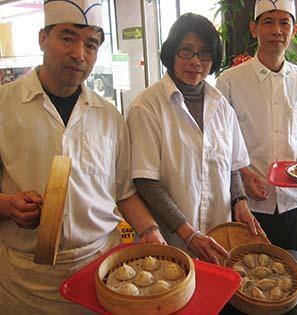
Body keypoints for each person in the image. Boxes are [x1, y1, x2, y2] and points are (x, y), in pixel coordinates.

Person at [0, 1, 165, 313]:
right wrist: (8, 205)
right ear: (42, 38)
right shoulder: (5, 105)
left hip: (103, 271)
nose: (79, 54)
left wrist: (149, 230)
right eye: (67, 38)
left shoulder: (110, 116)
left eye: (91, 44)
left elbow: (123, 193)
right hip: (26, 282)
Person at [127, 13, 264, 265]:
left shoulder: (221, 106)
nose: (196, 62)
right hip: (169, 243)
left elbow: (231, 167)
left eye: (204, 53)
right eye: (186, 52)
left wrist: (240, 202)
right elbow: (146, 182)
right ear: (171, 53)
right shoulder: (146, 106)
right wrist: (188, 234)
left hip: (217, 239)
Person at [216, 0, 297, 253]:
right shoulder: (229, 81)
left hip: (295, 199)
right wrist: (242, 175)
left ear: (293, 30)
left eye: (284, 23)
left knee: (295, 269)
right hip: (251, 202)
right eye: (268, 22)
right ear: (254, 29)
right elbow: (220, 141)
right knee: (251, 273)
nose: (276, 30)